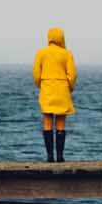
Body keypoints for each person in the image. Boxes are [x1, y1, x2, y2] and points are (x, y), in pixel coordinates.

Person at [32, 27, 78, 161]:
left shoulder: (41, 53)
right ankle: (60, 156)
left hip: (47, 88)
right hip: (62, 89)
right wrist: (69, 87)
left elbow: (36, 73)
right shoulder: (67, 53)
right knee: (61, 122)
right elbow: (72, 75)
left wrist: (41, 84)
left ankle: (49, 156)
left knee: (47, 121)